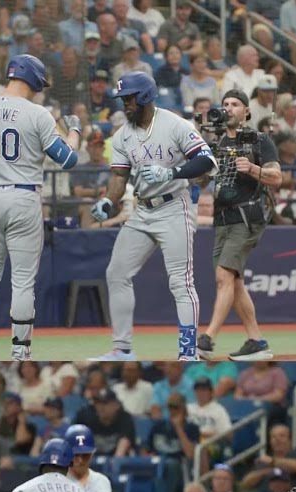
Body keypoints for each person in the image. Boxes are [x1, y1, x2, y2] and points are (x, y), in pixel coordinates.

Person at [0, 55, 83, 361]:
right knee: (22, 280)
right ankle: (20, 349)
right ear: (34, 79)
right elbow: (68, 160)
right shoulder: (38, 114)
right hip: (23, 197)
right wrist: (74, 130)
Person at [87, 72, 216, 361]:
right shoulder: (122, 135)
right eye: (123, 99)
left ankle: (187, 351)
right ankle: (122, 349)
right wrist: (108, 200)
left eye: (129, 98)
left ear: (145, 96)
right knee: (117, 273)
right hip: (143, 209)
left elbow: (206, 160)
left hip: (174, 206)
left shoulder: (175, 124)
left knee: (181, 282)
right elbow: (119, 177)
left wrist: (172, 172)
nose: (125, 104)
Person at [197, 89, 282, 361]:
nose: (228, 108)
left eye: (235, 104)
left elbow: (277, 177)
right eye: (225, 104)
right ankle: (256, 341)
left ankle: (208, 338)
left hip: (247, 217)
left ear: (246, 111)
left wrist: (254, 169)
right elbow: (201, 182)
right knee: (234, 282)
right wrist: (199, 169)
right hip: (222, 219)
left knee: (224, 276)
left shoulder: (259, 140)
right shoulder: (216, 143)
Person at [239, 422, 296, 492]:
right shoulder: (265, 461)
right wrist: (264, 472)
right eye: (273, 437)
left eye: (282, 436)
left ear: (290, 439)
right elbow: (245, 484)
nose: (277, 439)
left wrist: (273, 461)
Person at [77, 389, 136, 457]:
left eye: (105, 403)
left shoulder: (125, 419)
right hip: (93, 462)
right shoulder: (87, 417)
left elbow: (120, 452)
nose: (100, 407)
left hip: (115, 462)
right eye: (97, 403)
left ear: (116, 406)